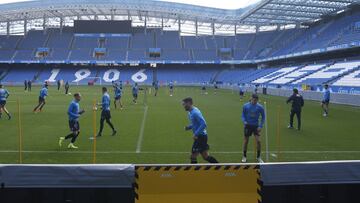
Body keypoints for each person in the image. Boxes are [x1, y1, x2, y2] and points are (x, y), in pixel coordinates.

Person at [183, 97, 218, 164]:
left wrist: (196, 134)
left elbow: (204, 124)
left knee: (193, 156)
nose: (183, 106)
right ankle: (219, 166)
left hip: (200, 137)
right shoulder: (190, 112)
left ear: (189, 103)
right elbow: (195, 123)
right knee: (205, 156)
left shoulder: (195, 112)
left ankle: (194, 173)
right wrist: (189, 127)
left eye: (184, 104)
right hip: (202, 136)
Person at [241, 94, 265, 163]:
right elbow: (243, 115)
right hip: (248, 125)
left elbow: (263, 117)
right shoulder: (245, 106)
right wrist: (244, 121)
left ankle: (259, 157)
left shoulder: (260, 107)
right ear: (251, 98)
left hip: (256, 126)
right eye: (253, 100)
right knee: (246, 141)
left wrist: (260, 126)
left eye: (256, 100)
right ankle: (244, 156)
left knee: (259, 141)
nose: (254, 101)